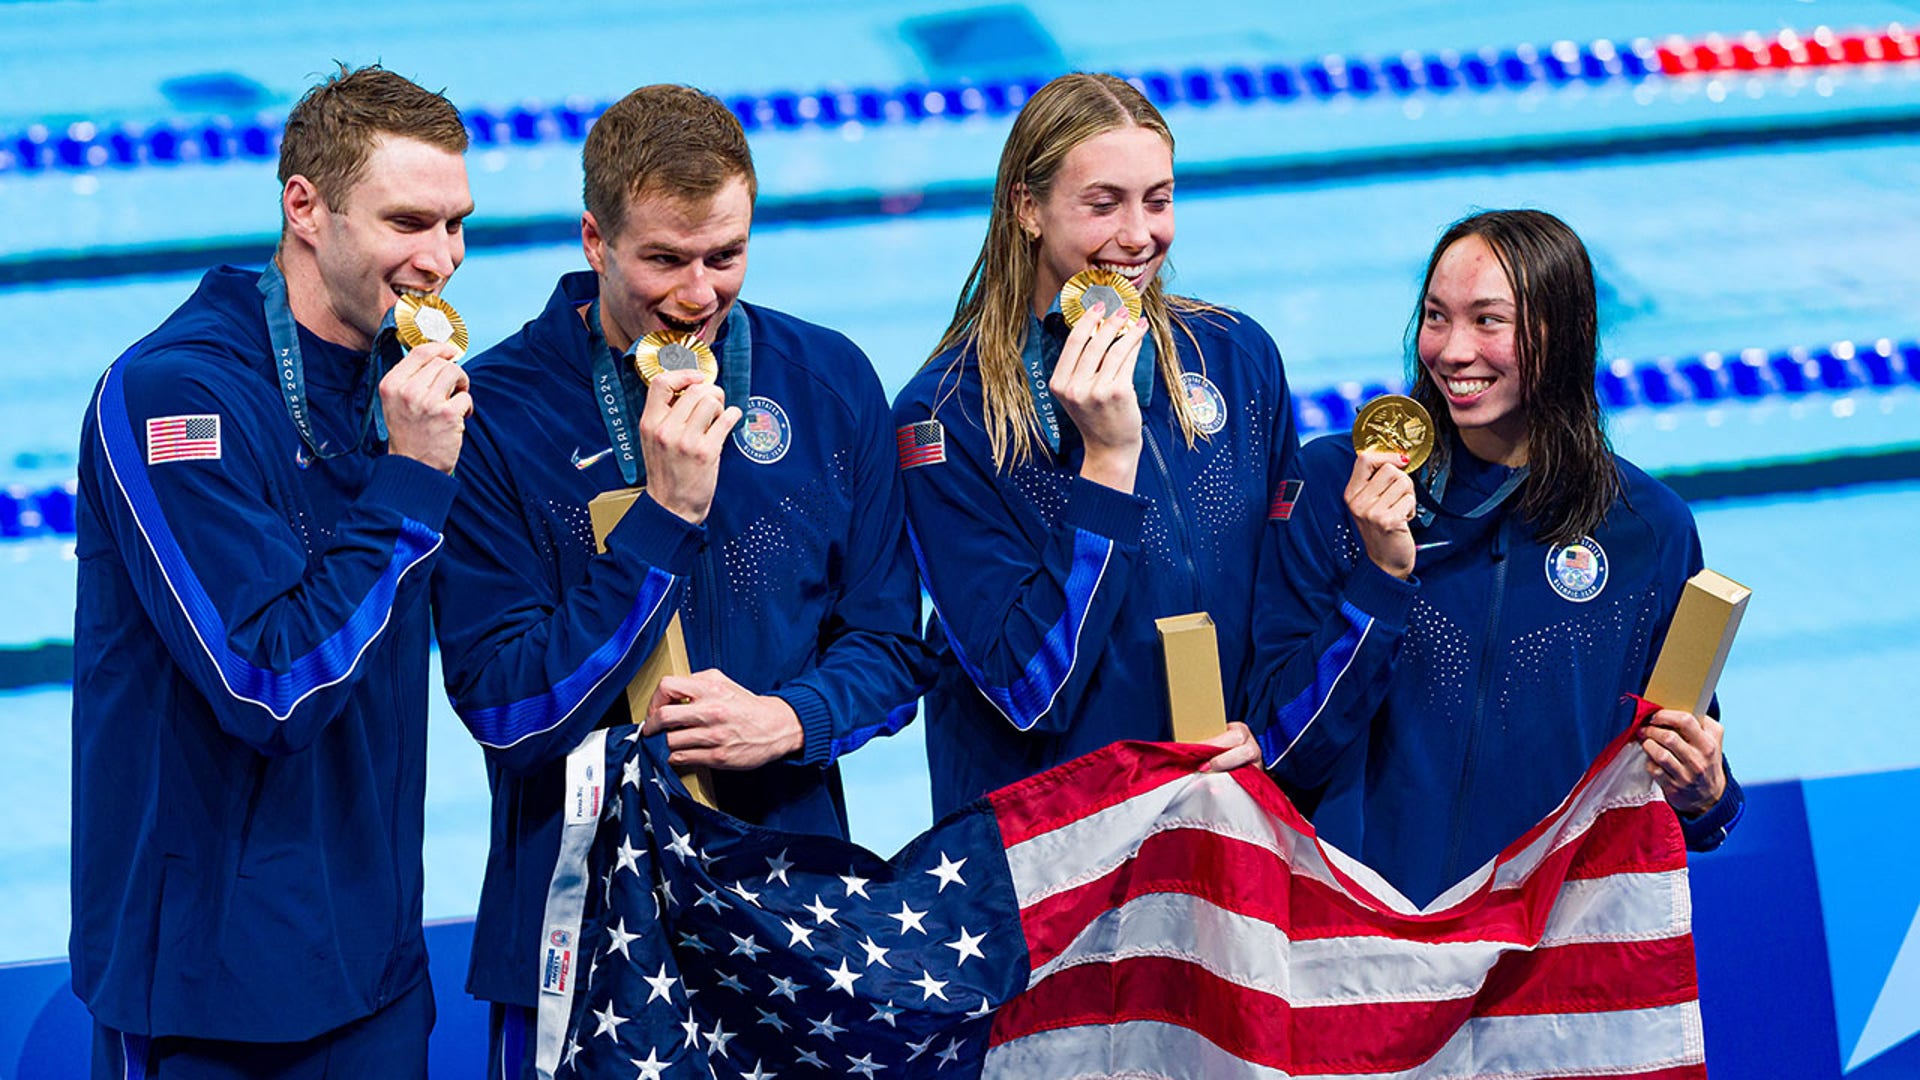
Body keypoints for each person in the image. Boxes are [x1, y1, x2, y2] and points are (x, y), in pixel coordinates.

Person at [429, 84, 935, 1080]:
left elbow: (889, 644)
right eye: (663, 259)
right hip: (576, 932)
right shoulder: (495, 418)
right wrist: (661, 518)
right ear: (595, 239)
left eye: (725, 257)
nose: (698, 294)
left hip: (787, 922)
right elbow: (504, 703)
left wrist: (788, 720)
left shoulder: (827, 381)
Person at [70, 65, 473, 1077]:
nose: (443, 260)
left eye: (457, 223)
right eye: (409, 222)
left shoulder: (390, 388)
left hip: (374, 978)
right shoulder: (175, 398)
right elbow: (270, 686)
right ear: (305, 206)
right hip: (207, 1002)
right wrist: (413, 479)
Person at [1243, 209, 1744, 907]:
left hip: (1543, 963)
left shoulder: (1647, 530)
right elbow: (1276, 748)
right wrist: (1379, 582)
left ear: (1561, 337)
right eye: (1436, 317)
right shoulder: (1333, 486)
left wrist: (1707, 794)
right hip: (1360, 947)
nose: (1450, 351)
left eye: (1487, 321)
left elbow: (1682, 772)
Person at [891, 72, 1298, 816]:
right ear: (1028, 209)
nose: (1140, 235)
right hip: (1056, 854)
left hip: (1221, 825)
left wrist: (1270, 730)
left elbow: (1289, 592)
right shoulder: (945, 418)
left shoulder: (1237, 357)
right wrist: (1108, 464)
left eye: (1159, 199)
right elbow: (1026, 688)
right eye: (1104, 204)